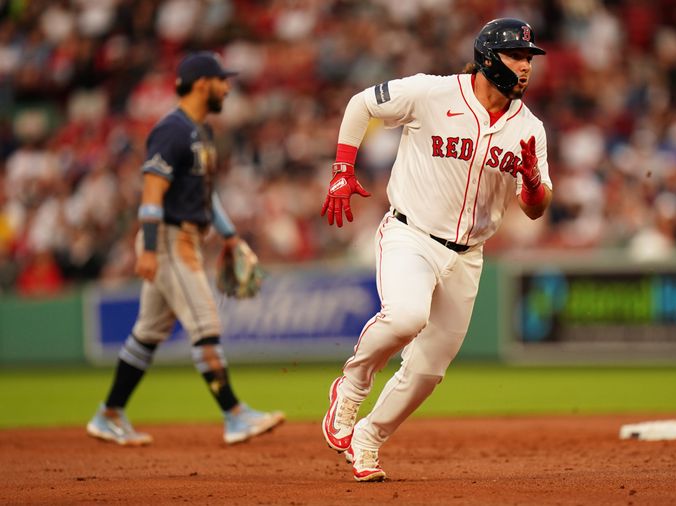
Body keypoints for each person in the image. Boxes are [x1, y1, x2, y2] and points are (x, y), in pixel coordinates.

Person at [320, 18, 552, 481]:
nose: (525, 66)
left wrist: (529, 182)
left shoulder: (530, 127)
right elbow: (360, 104)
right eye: (517, 56)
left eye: (529, 58)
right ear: (489, 57)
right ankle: (351, 386)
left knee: (427, 372)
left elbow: (536, 208)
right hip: (412, 234)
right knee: (407, 317)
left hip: (468, 255)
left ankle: (368, 439)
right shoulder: (432, 93)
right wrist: (343, 169)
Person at [87, 51, 284, 446]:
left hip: (190, 237)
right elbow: (151, 192)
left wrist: (229, 235)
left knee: (149, 331)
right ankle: (234, 414)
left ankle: (109, 414)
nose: (227, 86)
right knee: (205, 323)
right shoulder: (171, 130)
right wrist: (146, 247)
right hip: (169, 240)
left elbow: (206, 196)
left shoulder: (202, 132)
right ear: (201, 83)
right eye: (221, 80)